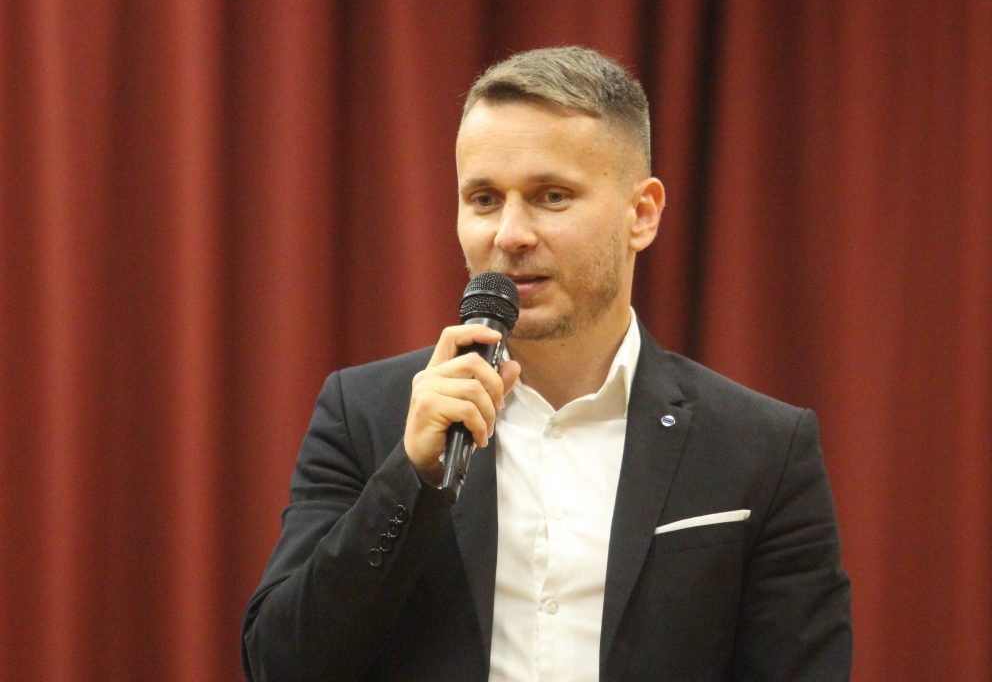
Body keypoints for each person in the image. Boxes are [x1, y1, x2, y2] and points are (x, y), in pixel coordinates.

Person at [242, 46, 852, 682]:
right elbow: (280, 665)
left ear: (642, 214)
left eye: (551, 196)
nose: (510, 234)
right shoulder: (366, 415)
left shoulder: (762, 448)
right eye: (484, 199)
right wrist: (412, 477)